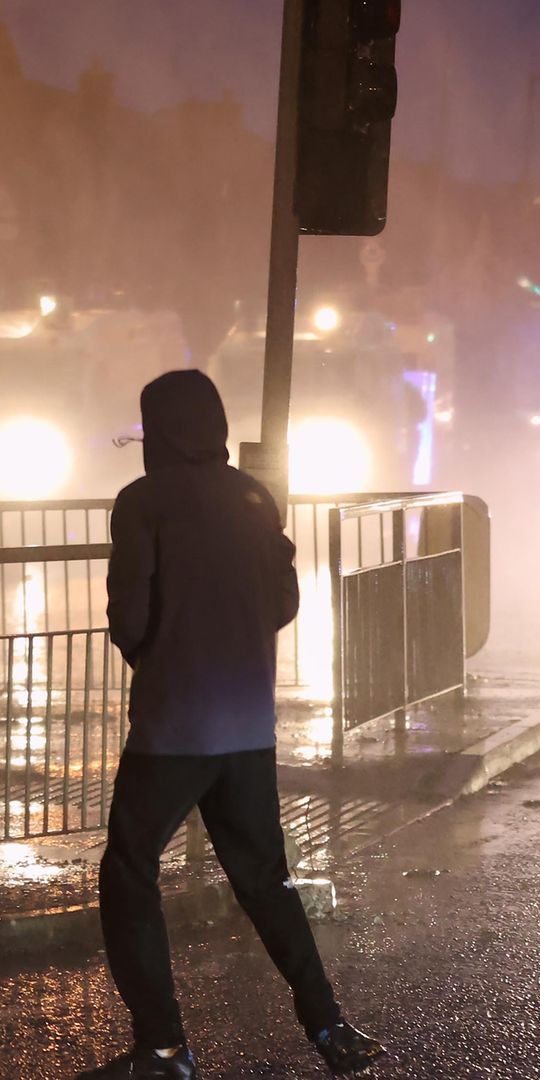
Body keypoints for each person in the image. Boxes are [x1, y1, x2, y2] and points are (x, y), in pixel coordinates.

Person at [102, 371, 384, 1079]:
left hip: (175, 725)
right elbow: (285, 599)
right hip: (248, 723)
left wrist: (155, 650)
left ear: (157, 428)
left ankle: (163, 1047)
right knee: (267, 881)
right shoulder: (256, 499)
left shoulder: (142, 502)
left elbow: (129, 615)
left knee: (130, 870)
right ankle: (329, 1027)